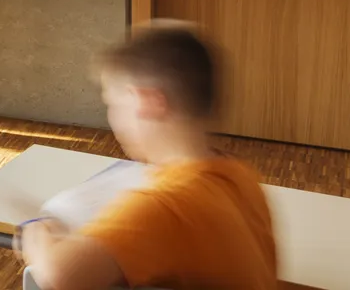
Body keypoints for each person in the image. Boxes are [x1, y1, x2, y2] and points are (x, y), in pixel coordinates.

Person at [18, 24, 278, 290]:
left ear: (146, 101)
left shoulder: (165, 205)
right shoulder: (242, 178)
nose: (112, 118)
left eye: (113, 104)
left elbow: (59, 275)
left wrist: (37, 231)